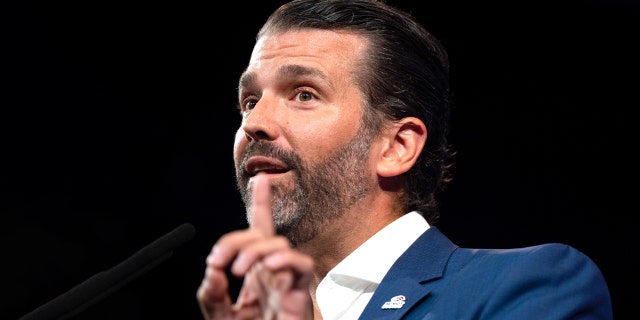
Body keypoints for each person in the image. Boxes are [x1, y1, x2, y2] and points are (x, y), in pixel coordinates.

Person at [196, 0, 614, 319]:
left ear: (397, 146)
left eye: (304, 94)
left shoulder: (527, 285)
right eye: (249, 101)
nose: (256, 123)